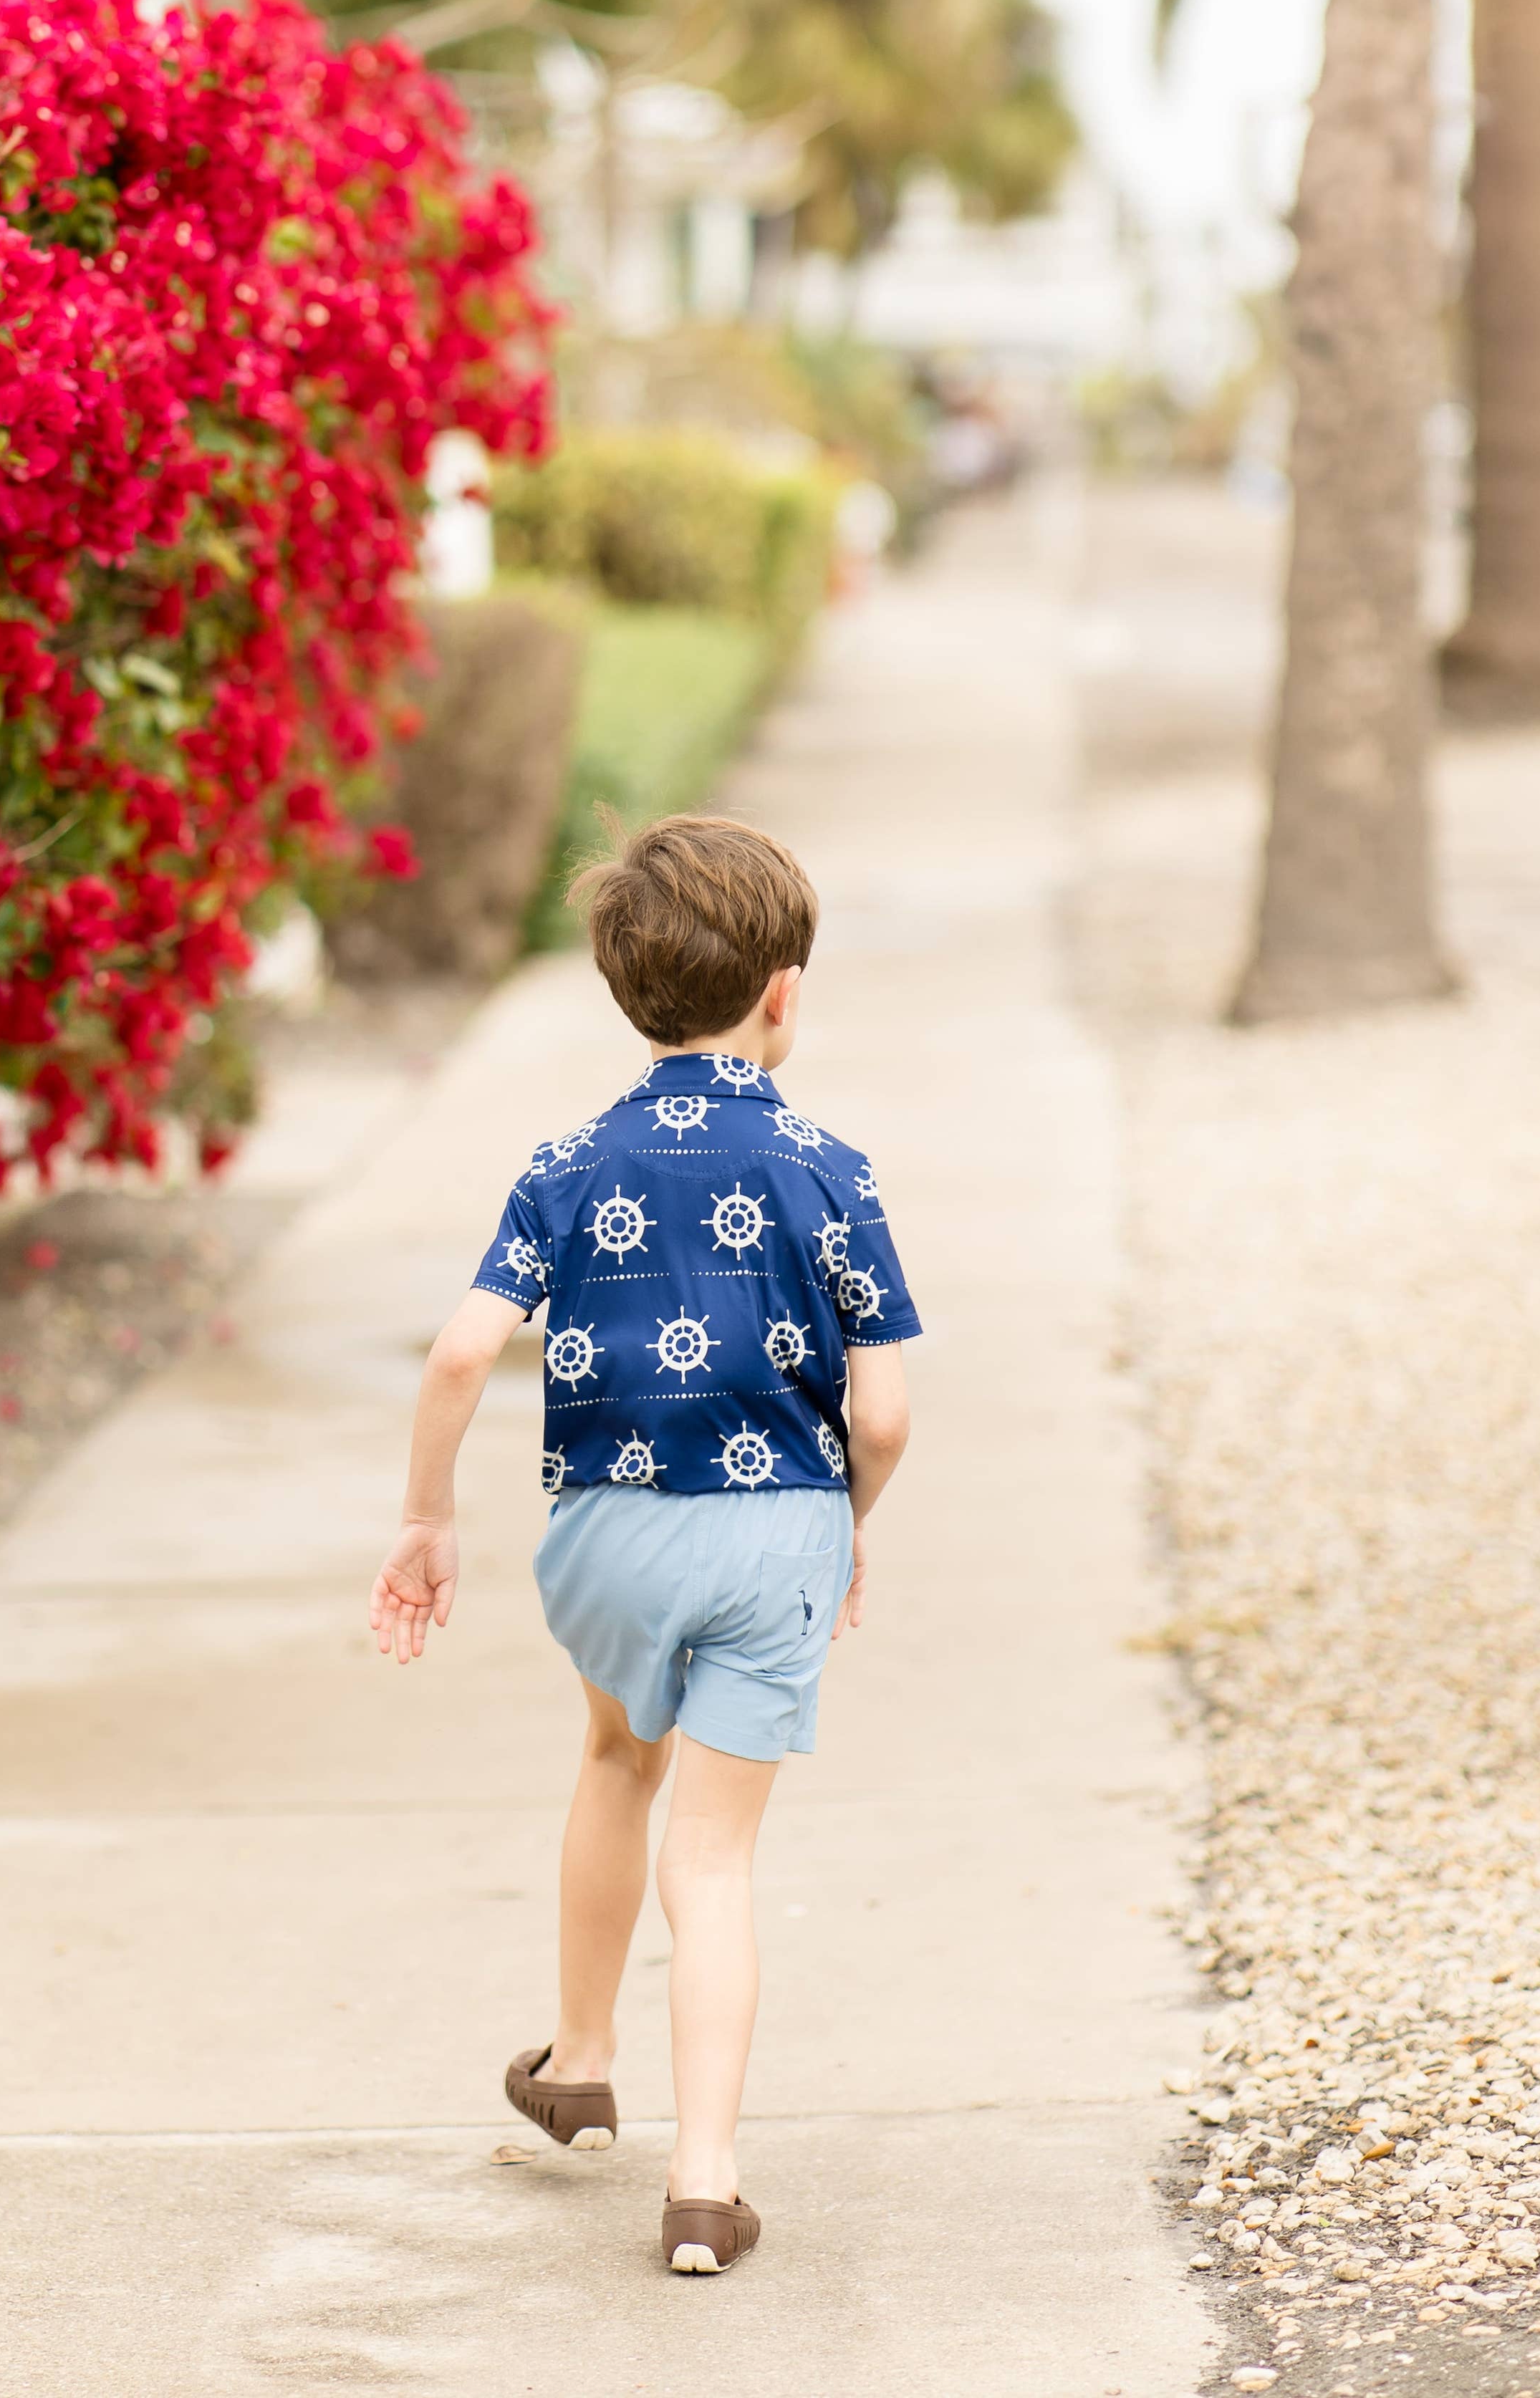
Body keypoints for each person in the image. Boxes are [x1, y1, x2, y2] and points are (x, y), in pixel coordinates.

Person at [368, 812, 919, 2277]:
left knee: (617, 1757)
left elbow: (455, 1357)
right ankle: (705, 2179)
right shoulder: (830, 1167)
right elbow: (884, 1411)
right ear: (784, 991)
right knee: (719, 1860)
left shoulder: (564, 1161)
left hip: (606, 1536)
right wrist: (837, 1531)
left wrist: (427, 1519)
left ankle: (585, 2056)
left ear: (627, 988)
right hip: (771, 1538)